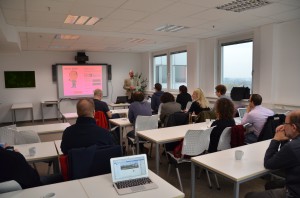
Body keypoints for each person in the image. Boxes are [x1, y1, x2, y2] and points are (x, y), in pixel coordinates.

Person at [245, 110, 300, 198]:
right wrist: (285, 138)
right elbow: (284, 157)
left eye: (285, 124)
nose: (283, 126)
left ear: (293, 127)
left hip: (294, 193)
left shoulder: (293, 147)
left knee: (249, 196)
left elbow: (268, 164)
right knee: (270, 185)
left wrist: (276, 139)